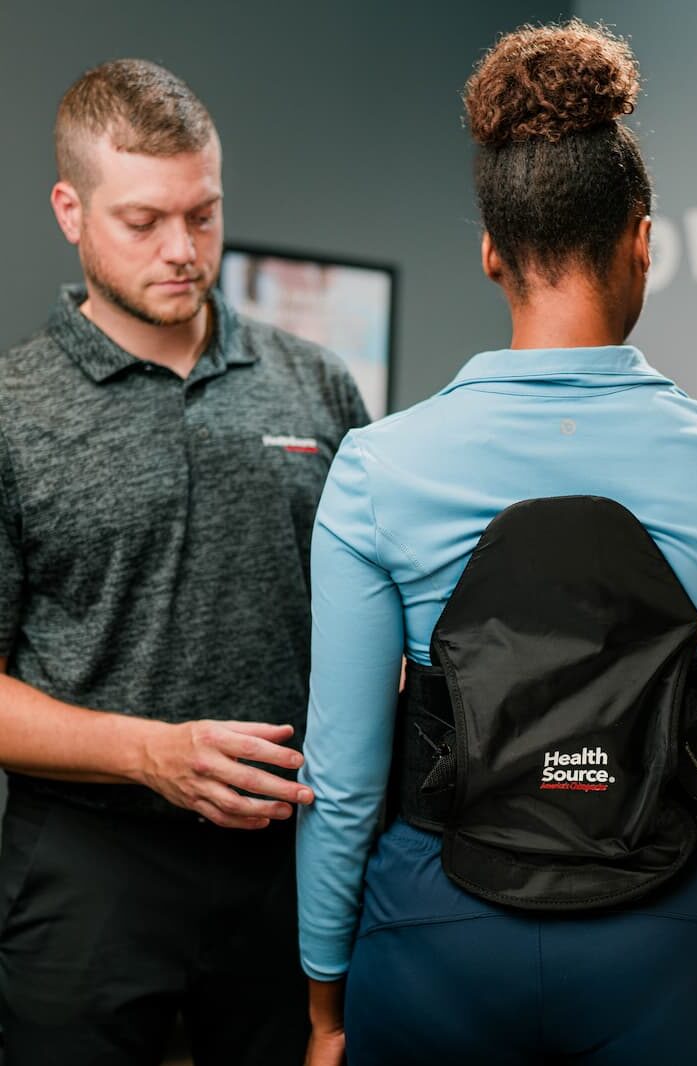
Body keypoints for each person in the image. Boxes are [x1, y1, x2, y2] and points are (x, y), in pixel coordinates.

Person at [296, 20, 697, 1066]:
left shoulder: (378, 467)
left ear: (491, 252)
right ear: (643, 240)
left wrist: (324, 1005)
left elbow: (343, 774)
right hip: (665, 934)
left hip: (436, 930)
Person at [0, 59, 367, 1065]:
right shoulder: (12, 412)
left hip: (289, 863)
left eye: (202, 215)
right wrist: (151, 753)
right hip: (86, 867)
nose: (182, 249)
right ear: (70, 210)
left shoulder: (317, 386)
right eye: (144, 221)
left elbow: (383, 627)